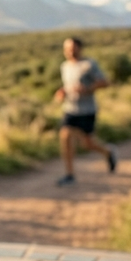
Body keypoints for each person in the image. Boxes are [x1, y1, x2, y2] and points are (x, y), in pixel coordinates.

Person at [52, 37, 115, 186]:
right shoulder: (65, 66)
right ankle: (69, 174)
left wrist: (87, 89)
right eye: (67, 49)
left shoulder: (89, 65)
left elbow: (104, 82)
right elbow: (68, 86)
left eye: (72, 48)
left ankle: (108, 152)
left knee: (87, 144)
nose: (70, 51)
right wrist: (62, 93)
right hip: (70, 109)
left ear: (80, 48)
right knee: (65, 136)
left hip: (87, 110)